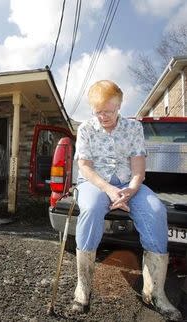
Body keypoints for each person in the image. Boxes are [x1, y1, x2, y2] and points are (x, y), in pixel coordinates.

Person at [72, 80, 182, 321]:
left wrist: (130, 191)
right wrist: (110, 190)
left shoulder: (133, 128)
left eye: (109, 111)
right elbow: (85, 167)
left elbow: (138, 170)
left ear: (119, 106)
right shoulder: (86, 129)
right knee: (90, 209)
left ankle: (155, 293)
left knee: (155, 210)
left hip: (129, 183)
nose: (103, 116)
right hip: (96, 183)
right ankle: (84, 286)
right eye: (98, 111)